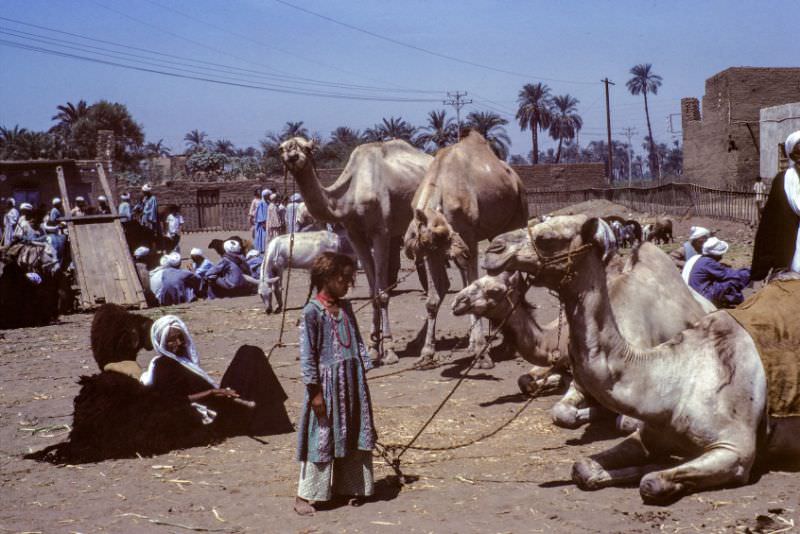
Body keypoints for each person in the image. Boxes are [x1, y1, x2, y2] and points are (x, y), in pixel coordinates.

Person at [295, 252, 376, 516]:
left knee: (353, 431)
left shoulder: (347, 308)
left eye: (350, 280)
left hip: (352, 382)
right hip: (326, 387)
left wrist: (364, 369)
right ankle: (306, 496)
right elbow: (308, 357)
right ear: (327, 277)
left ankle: (351, 487)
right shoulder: (311, 313)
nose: (347, 285)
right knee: (322, 436)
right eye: (343, 279)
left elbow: (358, 342)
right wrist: (314, 392)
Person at [141, 315, 292, 435]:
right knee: (251, 354)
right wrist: (212, 392)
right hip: (212, 413)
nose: (178, 343)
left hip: (217, 399)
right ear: (160, 342)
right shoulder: (164, 365)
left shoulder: (180, 360)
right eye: (171, 340)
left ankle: (275, 416)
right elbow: (173, 401)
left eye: (180, 337)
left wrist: (217, 392)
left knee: (248, 352)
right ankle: (274, 420)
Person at [751, 130, 800, 280]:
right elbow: (769, 224)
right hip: (788, 255)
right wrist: (762, 266)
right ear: (792, 156)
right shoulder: (783, 181)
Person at [683, 237, 750, 307]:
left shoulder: (697, 258)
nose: (721, 257)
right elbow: (730, 275)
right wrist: (748, 272)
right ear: (716, 254)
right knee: (733, 281)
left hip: (691, 293)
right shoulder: (708, 262)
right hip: (701, 296)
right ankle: (741, 305)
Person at [253, 189, 270, 253]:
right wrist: (263, 222)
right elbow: (260, 214)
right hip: (263, 224)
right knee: (262, 236)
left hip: (268, 222)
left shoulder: (267, 203)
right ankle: (261, 249)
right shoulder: (261, 203)